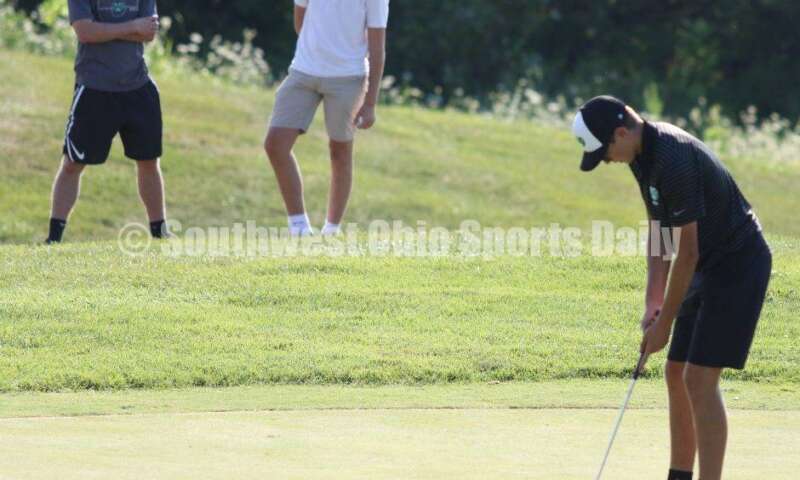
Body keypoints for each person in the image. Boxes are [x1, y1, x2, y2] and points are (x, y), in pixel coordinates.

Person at [572, 96, 772, 480]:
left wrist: (665, 326)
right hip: (707, 265)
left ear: (620, 132)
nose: (608, 161)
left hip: (738, 263)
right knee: (675, 371)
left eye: (606, 153)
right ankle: (678, 475)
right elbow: (658, 232)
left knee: (698, 378)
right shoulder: (640, 156)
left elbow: (688, 250)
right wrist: (654, 303)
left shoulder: (672, 158)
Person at [265, 0, 389, 236]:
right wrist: (318, 52)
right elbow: (299, 21)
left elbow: (377, 48)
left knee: (339, 151)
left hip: (349, 78)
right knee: (275, 145)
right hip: (303, 72)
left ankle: (331, 230)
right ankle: (299, 228)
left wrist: (370, 103)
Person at [48, 0, 167, 244]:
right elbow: (85, 32)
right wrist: (131, 26)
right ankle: (53, 239)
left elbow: (148, 33)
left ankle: (160, 234)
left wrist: (107, 30)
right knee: (72, 163)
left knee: (148, 161)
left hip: (138, 87)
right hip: (94, 88)